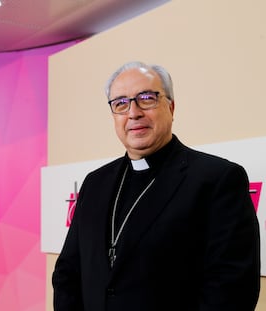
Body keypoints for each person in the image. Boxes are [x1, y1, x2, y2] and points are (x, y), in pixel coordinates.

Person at [52, 61, 260, 310]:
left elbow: (232, 289)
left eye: (147, 98)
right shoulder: (95, 183)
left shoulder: (217, 179)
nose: (133, 112)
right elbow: (68, 272)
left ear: (171, 107)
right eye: (120, 103)